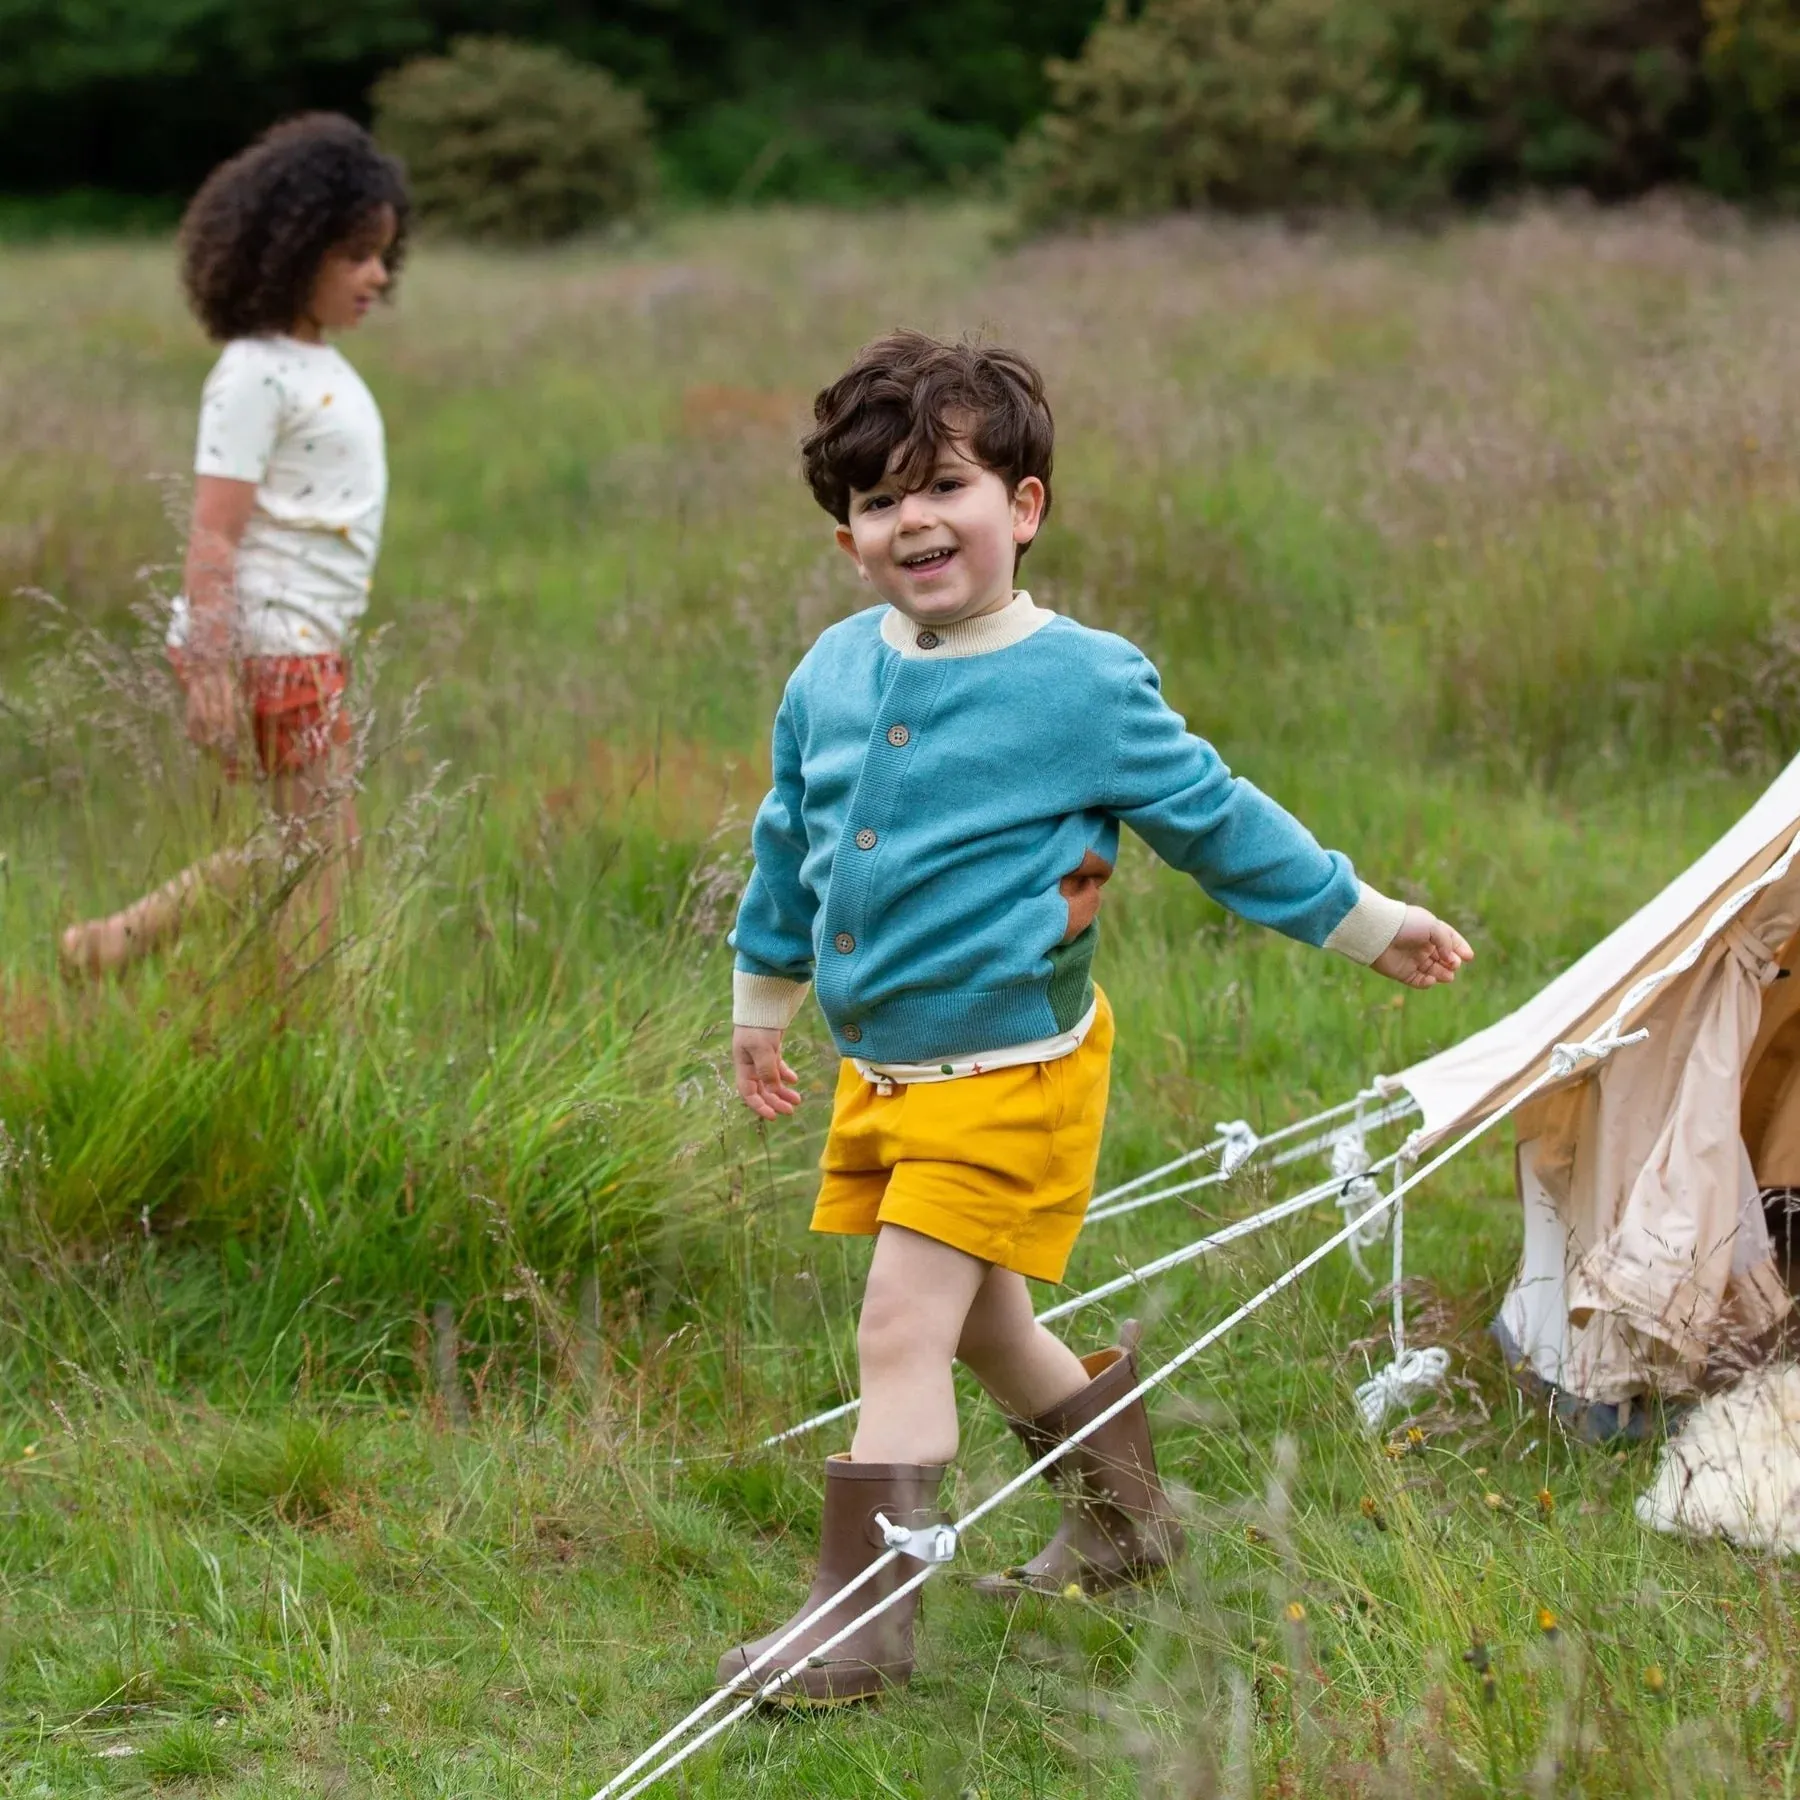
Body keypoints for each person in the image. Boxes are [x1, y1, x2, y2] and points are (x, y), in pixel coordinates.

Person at [720, 331, 1474, 1705]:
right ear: (847, 540)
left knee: (899, 1325)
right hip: (885, 1072)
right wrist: (762, 999)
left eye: (944, 485)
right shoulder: (831, 672)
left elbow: (1217, 819)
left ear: (1023, 508)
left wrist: (1364, 919)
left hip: (1013, 1070)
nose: (913, 521)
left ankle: (860, 1627)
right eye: (879, 502)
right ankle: (1129, 1529)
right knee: (984, 1323)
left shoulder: (1084, 683)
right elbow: (788, 844)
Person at [59, 114, 409, 977]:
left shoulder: (315, 360)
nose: (378, 275)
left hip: (305, 641)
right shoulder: (254, 370)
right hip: (268, 644)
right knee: (318, 858)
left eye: (384, 255)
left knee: (317, 846)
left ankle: (113, 945)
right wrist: (211, 667)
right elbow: (214, 531)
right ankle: (298, 1032)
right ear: (290, 248)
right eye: (355, 253)